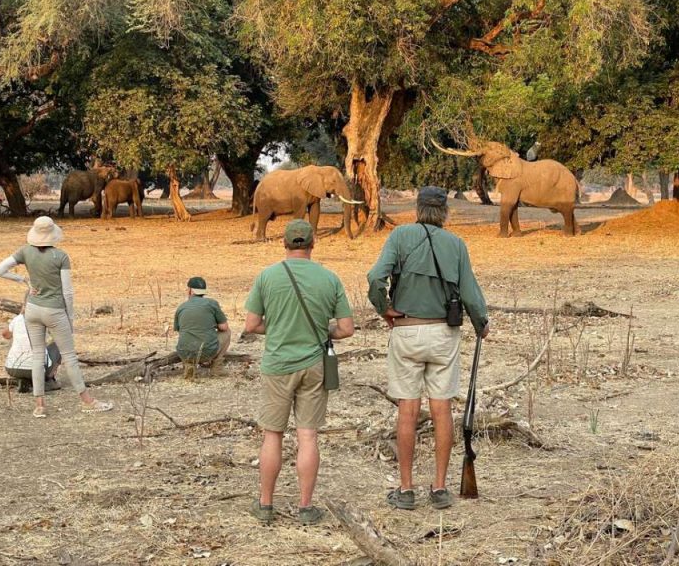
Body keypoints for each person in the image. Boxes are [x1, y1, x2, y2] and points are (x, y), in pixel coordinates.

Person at [367, 186, 489, 510]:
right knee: (442, 410)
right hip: (442, 334)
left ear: (417, 209)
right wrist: (481, 323)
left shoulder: (400, 236)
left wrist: (384, 308)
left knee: (407, 410)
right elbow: (471, 294)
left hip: (406, 330)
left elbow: (375, 277)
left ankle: (406, 490)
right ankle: (439, 488)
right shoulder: (456, 244)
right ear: (445, 212)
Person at [244, 220, 355, 525]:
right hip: (314, 364)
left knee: (272, 435)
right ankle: (305, 506)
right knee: (308, 436)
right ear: (312, 243)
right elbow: (346, 329)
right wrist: (322, 329)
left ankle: (265, 505)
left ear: (285, 243)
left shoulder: (267, 277)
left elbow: (251, 325)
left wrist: (278, 327)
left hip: (278, 364)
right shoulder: (329, 279)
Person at [0, 216, 113, 418]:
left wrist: (22, 279)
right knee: (69, 356)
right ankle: (87, 400)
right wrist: (70, 316)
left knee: (37, 356)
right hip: (55, 310)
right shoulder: (61, 257)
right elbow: (67, 292)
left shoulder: (25, 251)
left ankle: (39, 405)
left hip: (32, 309)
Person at [173, 277, 231, 378]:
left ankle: (189, 365)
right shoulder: (212, 303)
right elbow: (224, 327)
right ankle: (217, 368)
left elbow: (179, 329)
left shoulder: (181, 307)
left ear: (190, 290)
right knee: (227, 332)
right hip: (207, 351)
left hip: (184, 353)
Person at [2, 308, 62, 394]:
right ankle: (47, 380)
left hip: (12, 368)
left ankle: (24, 380)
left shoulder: (18, 319)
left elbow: (5, 335)